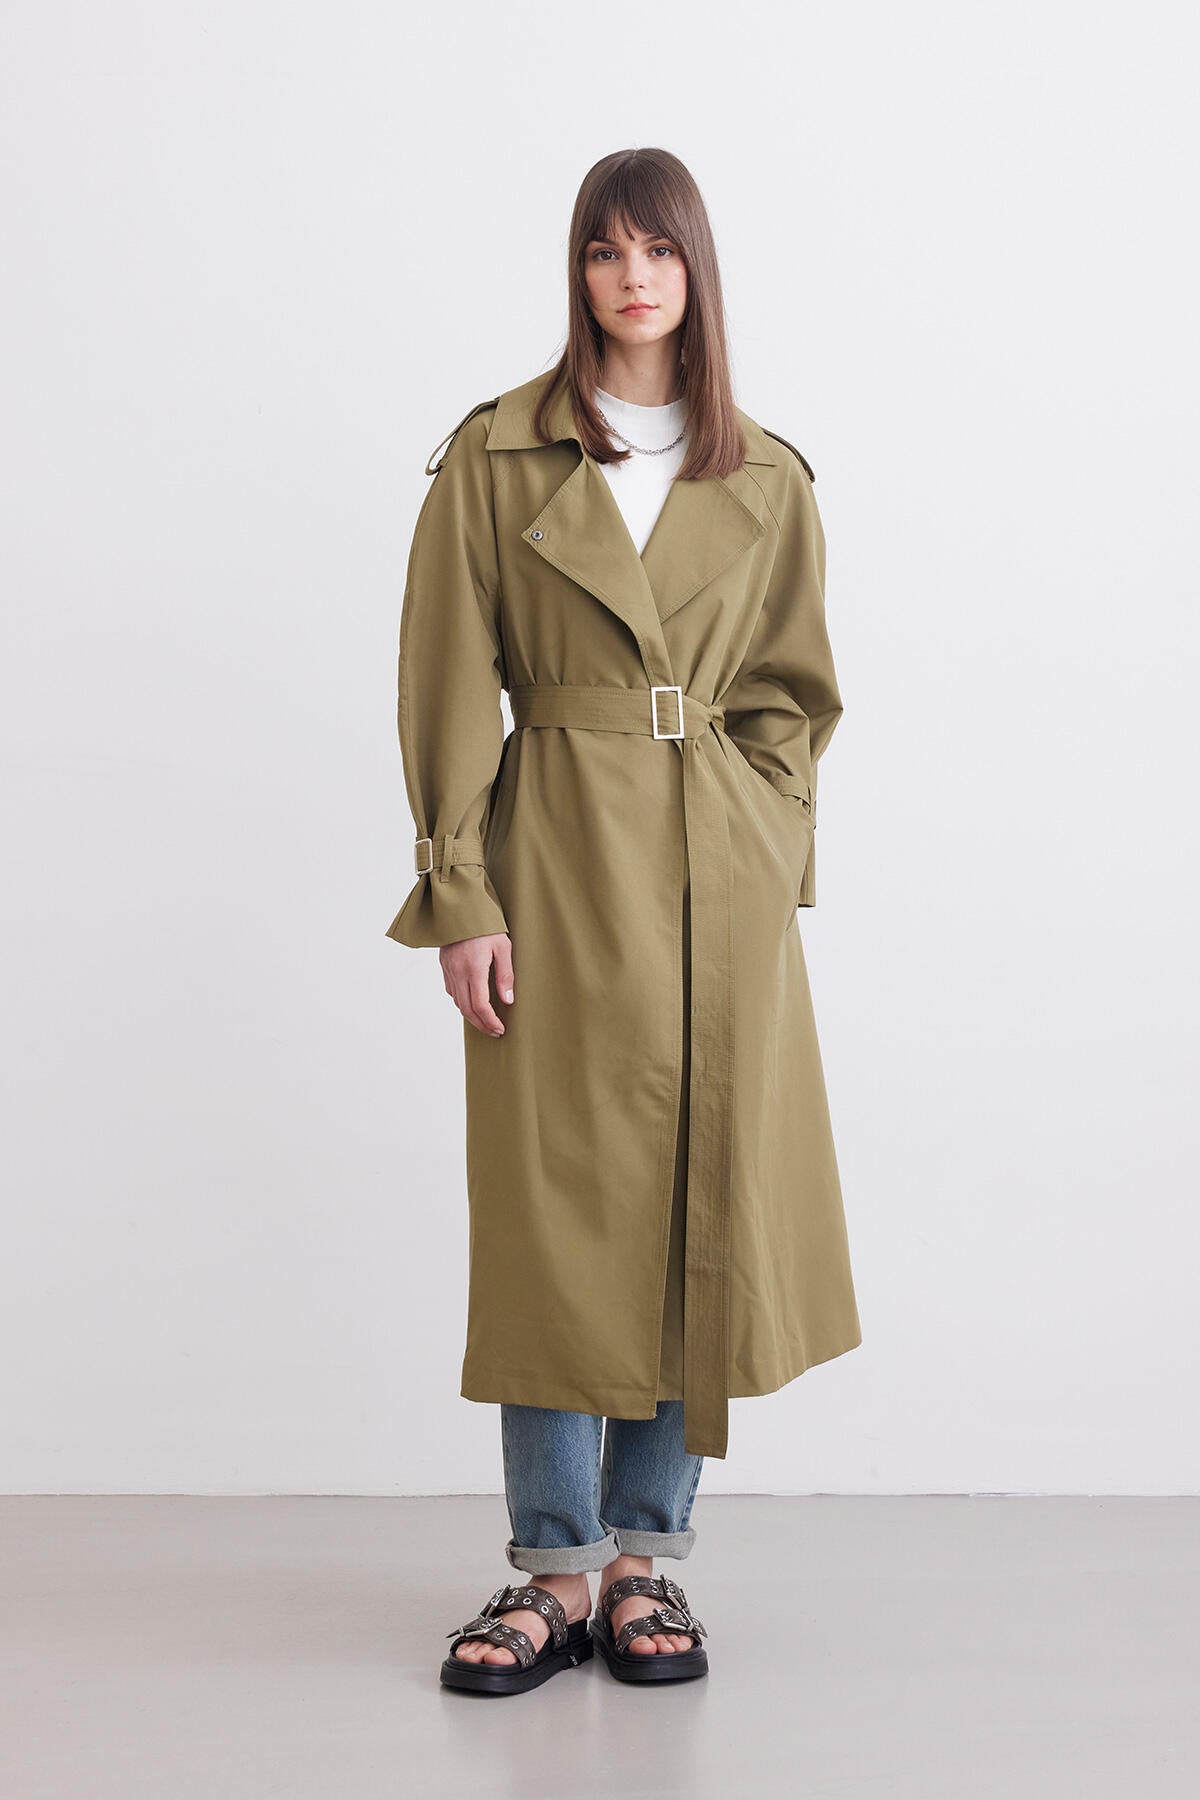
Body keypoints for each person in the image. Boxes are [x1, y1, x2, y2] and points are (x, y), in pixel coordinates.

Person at [385, 147, 862, 1696]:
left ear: (696, 270)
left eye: (659, 249)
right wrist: (461, 890)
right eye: (605, 249)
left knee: (693, 1214)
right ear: (578, 272)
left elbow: (793, 700)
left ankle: (648, 1561)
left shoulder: (765, 477)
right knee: (553, 1220)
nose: (633, 276)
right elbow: (446, 683)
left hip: (718, 882)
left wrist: (766, 849)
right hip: (556, 866)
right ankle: (553, 1568)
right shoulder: (496, 457)